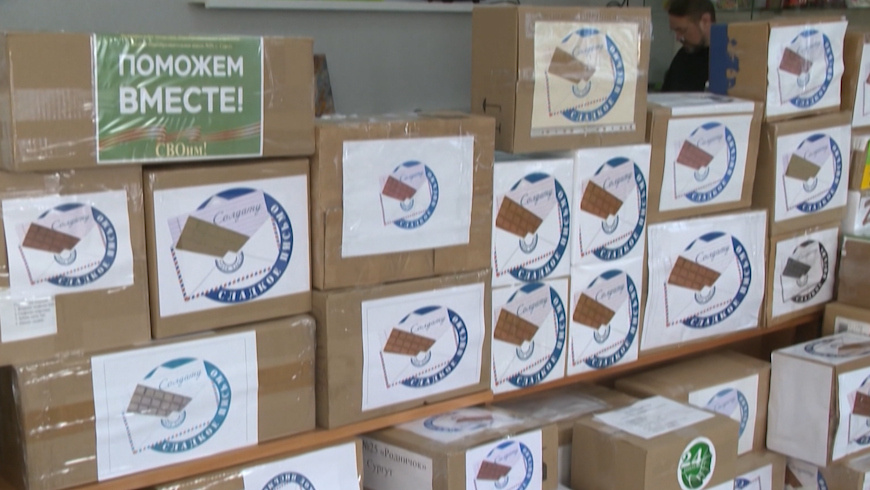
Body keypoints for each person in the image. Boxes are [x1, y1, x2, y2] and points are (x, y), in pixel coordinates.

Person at [661, 0, 716, 92]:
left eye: (682, 30)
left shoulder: (728, 60)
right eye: (675, 31)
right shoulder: (681, 57)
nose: (678, 38)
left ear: (705, 21)